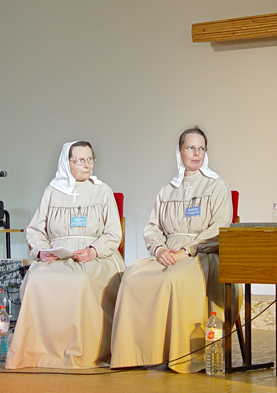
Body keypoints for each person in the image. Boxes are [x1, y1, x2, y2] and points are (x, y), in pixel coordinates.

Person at [110, 127, 233, 373]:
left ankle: (182, 355)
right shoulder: (167, 191)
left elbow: (220, 226)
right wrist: (159, 250)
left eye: (201, 148)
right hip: (168, 252)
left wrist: (188, 250)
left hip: (202, 254)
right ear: (180, 151)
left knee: (176, 279)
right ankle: (136, 353)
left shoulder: (217, 186)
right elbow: (153, 226)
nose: (196, 153)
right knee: (133, 277)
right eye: (190, 147)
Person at [6, 141, 124, 369]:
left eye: (90, 159)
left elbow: (113, 232)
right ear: (67, 162)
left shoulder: (102, 191)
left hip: (95, 256)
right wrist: (42, 250)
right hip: (57, 256)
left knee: (80, 281)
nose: (87, 164)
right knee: (36, 280)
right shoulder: (52, 192)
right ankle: (36, 352)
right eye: (80, 160)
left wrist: (93, 251)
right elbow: (36, 230)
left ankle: (83, 352)